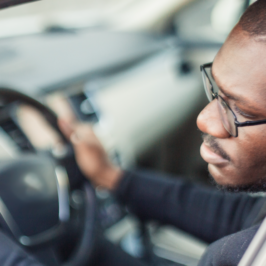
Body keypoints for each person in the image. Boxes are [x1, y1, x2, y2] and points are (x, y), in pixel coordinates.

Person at [58, 1, 266, 265]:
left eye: (244, 111)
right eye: (216, 91)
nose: (205, 120)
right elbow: (246, 215)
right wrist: (111, 176)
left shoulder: (232, 257)